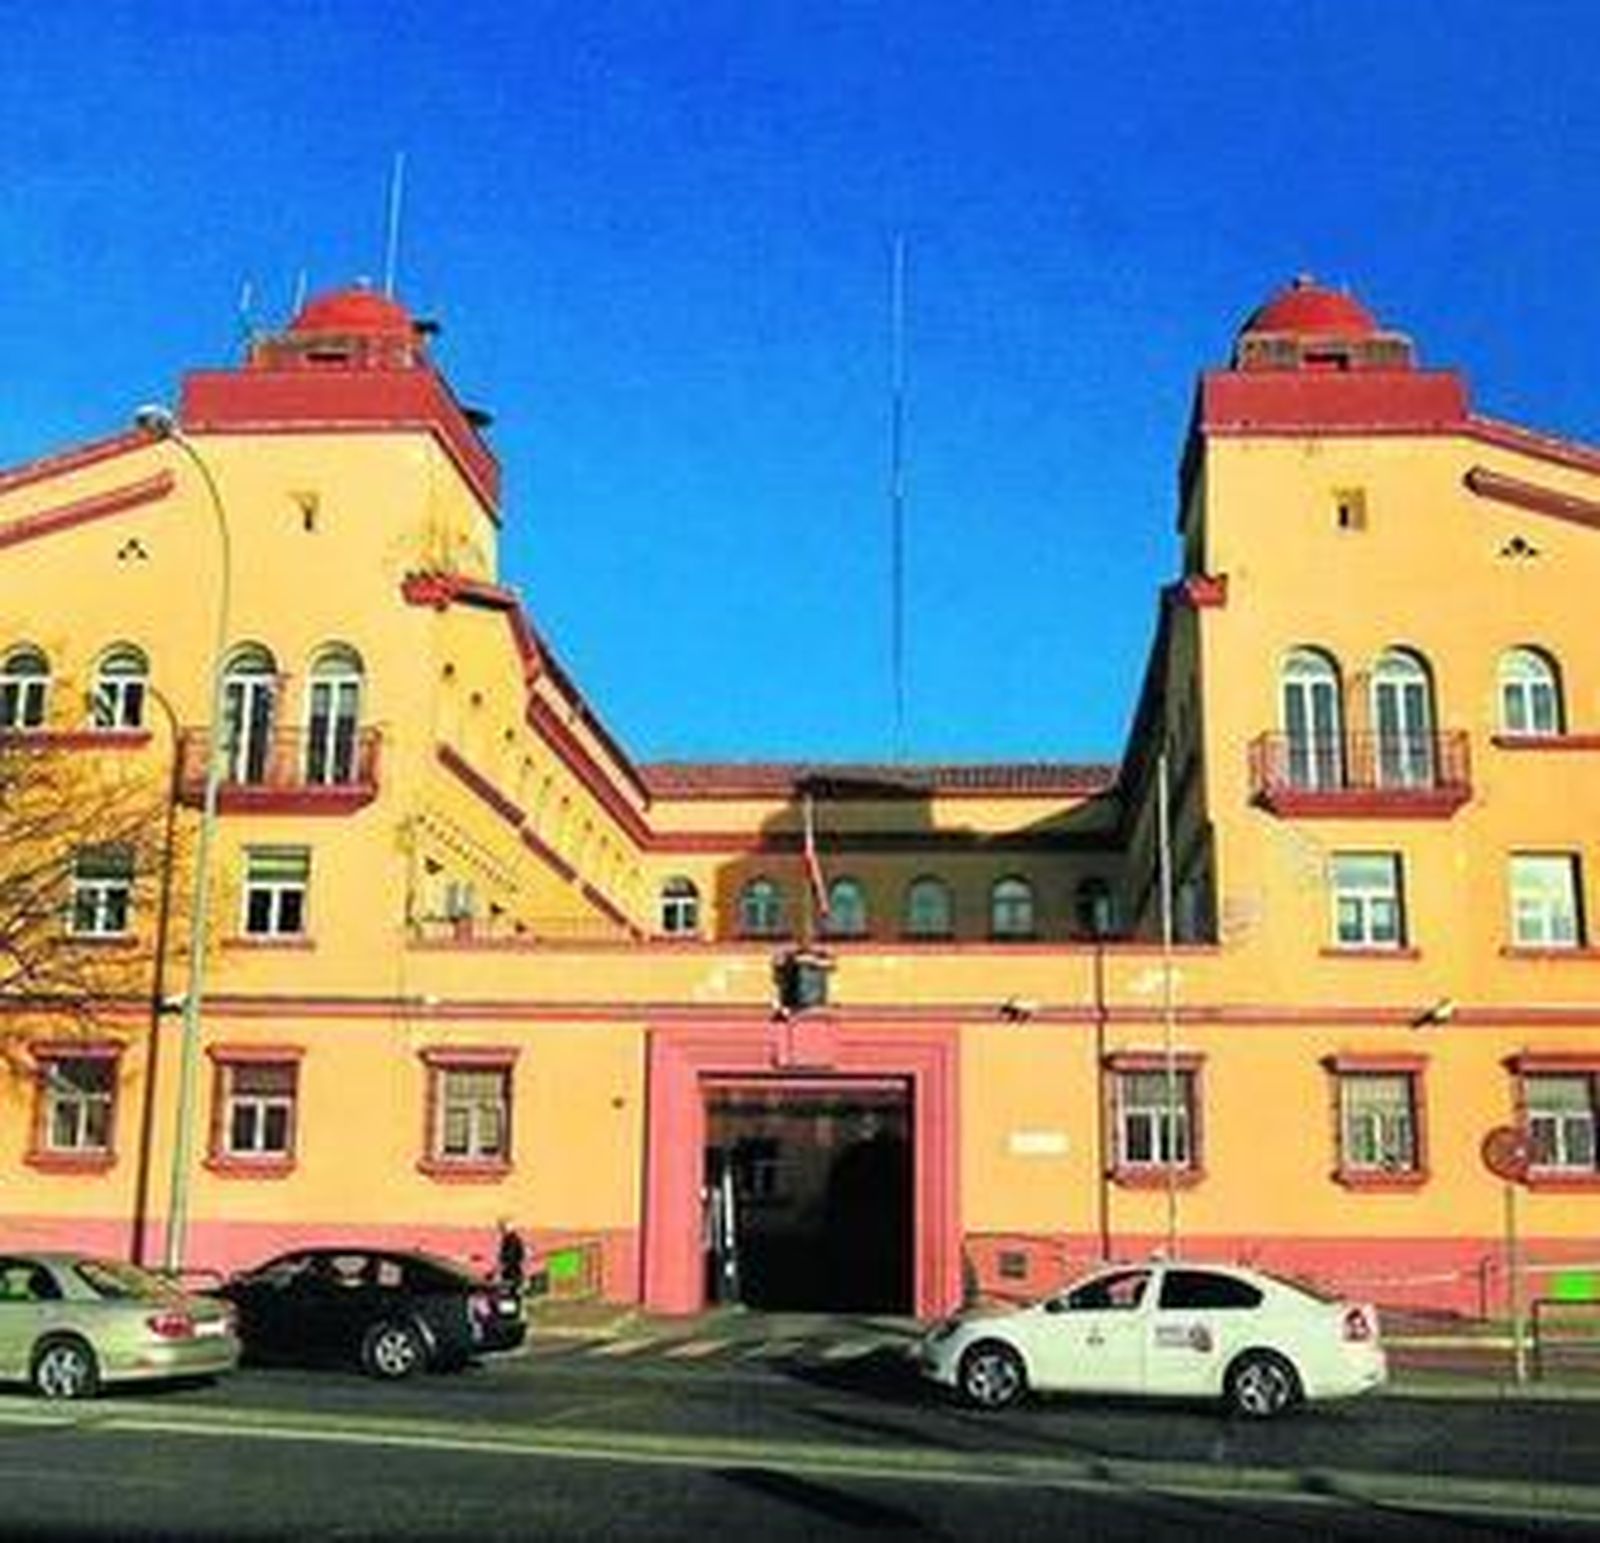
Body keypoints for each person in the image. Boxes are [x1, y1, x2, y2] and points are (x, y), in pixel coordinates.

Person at [496, 1220, 527, 1290]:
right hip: (513, 1265)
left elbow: (511, 1254)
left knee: (511, 1279)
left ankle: (516, 1286)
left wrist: (503, 1260)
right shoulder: (511, 1238)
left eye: (502, 1229)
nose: (501, 1231)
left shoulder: (511, 1240)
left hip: (511, 1266)